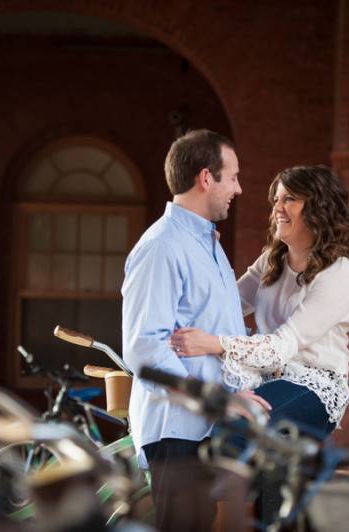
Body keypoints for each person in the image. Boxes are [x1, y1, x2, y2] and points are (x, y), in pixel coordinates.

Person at [169, 165, 349, 523]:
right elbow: (225, 305)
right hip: (265, 378)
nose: (277, 207)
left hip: (314, 385)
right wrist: (174, 321)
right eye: (276, 198)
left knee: (236, 439)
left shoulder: (341, 274)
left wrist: (211, 343)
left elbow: (280, 346)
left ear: (319, 207)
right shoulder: (273, 259)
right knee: (218, 437)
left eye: (289, 198)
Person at [121, 129, 268, 531]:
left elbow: (219, 326)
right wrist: (221, 400)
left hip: (206, 431)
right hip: (177, 430)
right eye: (233, 177)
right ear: (206, 178)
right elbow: (145, 349)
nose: (238, 189)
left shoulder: (209, 244)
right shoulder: (163, 246)